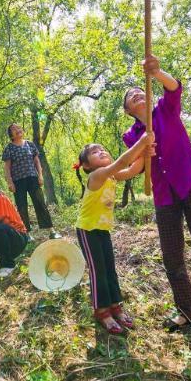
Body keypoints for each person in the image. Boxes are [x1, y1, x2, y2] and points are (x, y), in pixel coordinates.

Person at [122, 54, 191, 349]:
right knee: (172, 259)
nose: (137, 95)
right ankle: (185, 313)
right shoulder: (131, 135)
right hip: (165, 198)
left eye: (140, 91)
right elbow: (136, 167)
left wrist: (156, 71)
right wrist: (114, 170)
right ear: (129, 110)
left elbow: (173, 88)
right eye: (132, 97)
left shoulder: (164, 110)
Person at [74, 133, 154, 334]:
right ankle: (102, 311)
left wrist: (145, 154)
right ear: (86, 165)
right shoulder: (97, 175)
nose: (101, 151)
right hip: (87, 229)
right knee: (97, 270)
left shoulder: (112, 174)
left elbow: (132, 169)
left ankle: (115, 305)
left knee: (110, 268)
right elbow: (124, 161)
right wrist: (142, 142)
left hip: (102, 229)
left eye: (102, 148)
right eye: (94, 151)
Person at [1, 124, 57, 238]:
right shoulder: (9, 148)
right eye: (14, 129)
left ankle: (51, 231)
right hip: (18, 181)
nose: (17, 130)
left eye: (18, 128)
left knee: (40, 203)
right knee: (22, 206)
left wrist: (40, 176)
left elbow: (37, 162)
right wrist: (10, 182)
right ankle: (27, 234)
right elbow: (7, 167)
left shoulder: (30, 144)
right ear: (11, 135)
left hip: (33, 178)